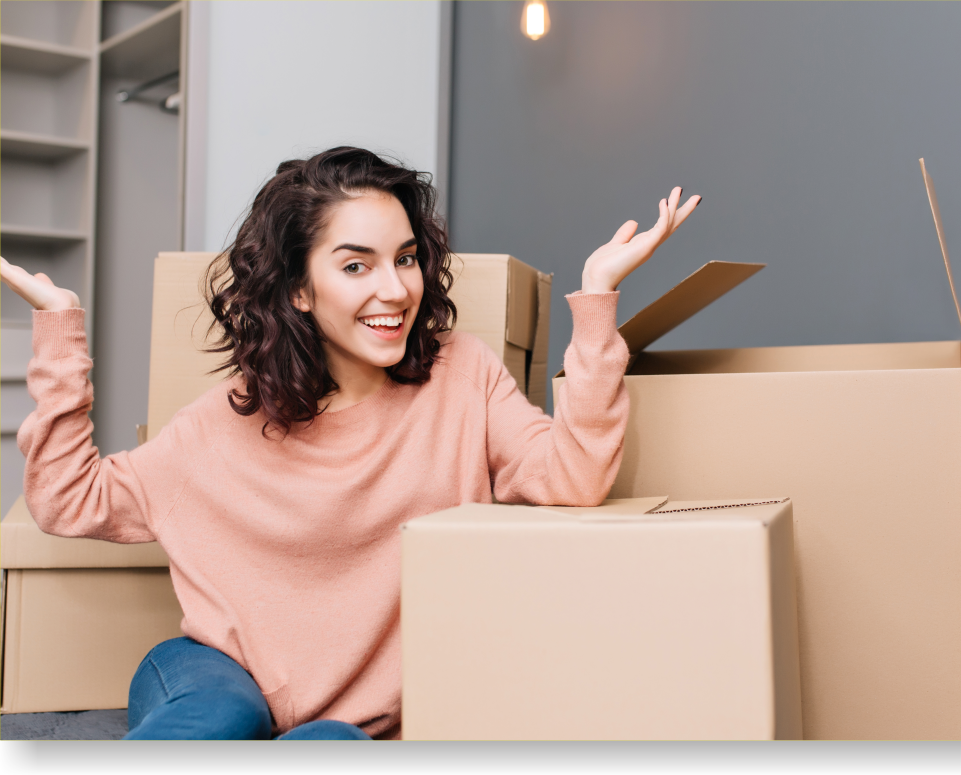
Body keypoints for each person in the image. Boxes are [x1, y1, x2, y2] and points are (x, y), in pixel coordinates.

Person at [0, 146, 700, 740]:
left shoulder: (463, 377)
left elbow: (574, 477)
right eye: (356, 265)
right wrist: (61, 332)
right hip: (214, 667)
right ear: (300, 289)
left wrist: (598, 296)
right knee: (221, 714)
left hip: (356, 716)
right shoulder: (220, 425)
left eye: (406, 258)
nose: (395, 289)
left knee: (332, 742)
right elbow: (67, 501)